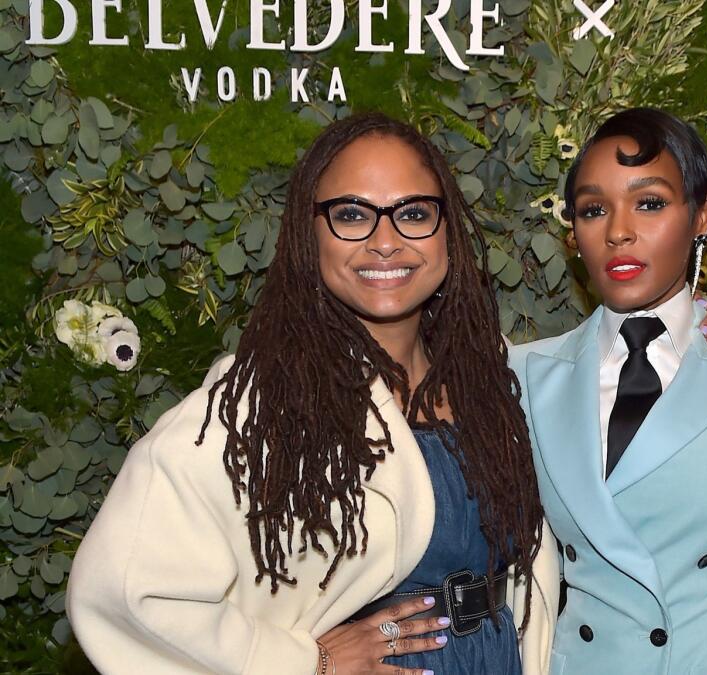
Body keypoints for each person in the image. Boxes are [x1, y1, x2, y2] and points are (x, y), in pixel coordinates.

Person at [66, 113, 560, 675]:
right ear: (309, 234)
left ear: (447, 230)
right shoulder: (261, 400)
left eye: (414, 213)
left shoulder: (489, 373)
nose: (384, 242)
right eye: (351, 215)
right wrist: (305, 662)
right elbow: (127, 588)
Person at [509, 107, 707, 675]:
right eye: (594, 210)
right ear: (573, 234)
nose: (619, 231)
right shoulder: (521, 376)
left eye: (649, 203)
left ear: (702, 217)